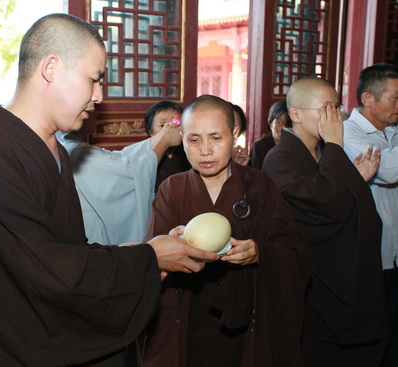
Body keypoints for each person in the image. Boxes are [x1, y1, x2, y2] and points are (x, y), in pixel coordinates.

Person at [0, 13, 219, 366]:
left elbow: (64, 249)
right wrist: (148, 259)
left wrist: (140, 252)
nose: (99, 96)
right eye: (94, 79)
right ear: (51, 68)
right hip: (5, 346)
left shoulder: (54, 149)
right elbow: (40, 268)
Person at [140, 95, 311, 367]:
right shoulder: (172, 189)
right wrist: (167, 249)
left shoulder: (259, 186)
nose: (205, 150)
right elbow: (150, 262)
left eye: (216, 138)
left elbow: (293, 253)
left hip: (246, 320)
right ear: (181, 137)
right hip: (186, 314)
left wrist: (259, 252)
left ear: (234, 134)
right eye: (194, 140)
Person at [262, 76, 387, 367]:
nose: (336, 116)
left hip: (341, 277)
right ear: (296, 114)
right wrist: (335, 144)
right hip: (314, 280)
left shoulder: (320, 152)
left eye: (337, 107)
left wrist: (353, 178)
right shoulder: (279, 157)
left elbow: (337, 197)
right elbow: (326, 203)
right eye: (326, 108)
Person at [342, 63, 398, 367]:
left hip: (395, 250)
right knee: (372, 334)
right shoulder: (347, 134)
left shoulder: (393, 131)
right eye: (395, 97)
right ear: (368, 98)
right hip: (373, 253)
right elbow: (386, 170)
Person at [57, 115, 181, 244]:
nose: (96, 115)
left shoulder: (68, 142)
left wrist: (159, 139)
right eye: (89, 110)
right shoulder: (74, 149)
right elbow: (126, 173)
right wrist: (164, 141)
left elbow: (119, 156)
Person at [143, 100, 191, 192]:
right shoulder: (144, 156)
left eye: (176, 123)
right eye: (162, 125)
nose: (170, 128)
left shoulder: (190, 151)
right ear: (150, 132)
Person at [250, 99, 291, 170]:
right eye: (278, 122)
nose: (284, 128)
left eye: (288, 123)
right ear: (270, 125)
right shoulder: (259, 147)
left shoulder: (297, 146)